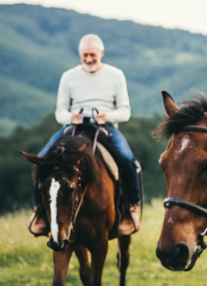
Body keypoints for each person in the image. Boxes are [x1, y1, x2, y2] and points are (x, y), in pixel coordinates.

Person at [29, 34, 141, 236]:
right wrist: (70, 117)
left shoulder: (116, 75)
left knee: (127, 158)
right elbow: (59, 111)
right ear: (80, 54)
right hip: (74, 127)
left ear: (101, 54)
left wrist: (108, 115)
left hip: (106, 127)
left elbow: (125, 111)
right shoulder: (68, 76)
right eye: (85, 55)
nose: (89, 59)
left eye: (92, 55)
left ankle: (132, 208)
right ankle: (39, 212)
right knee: (42, 160)